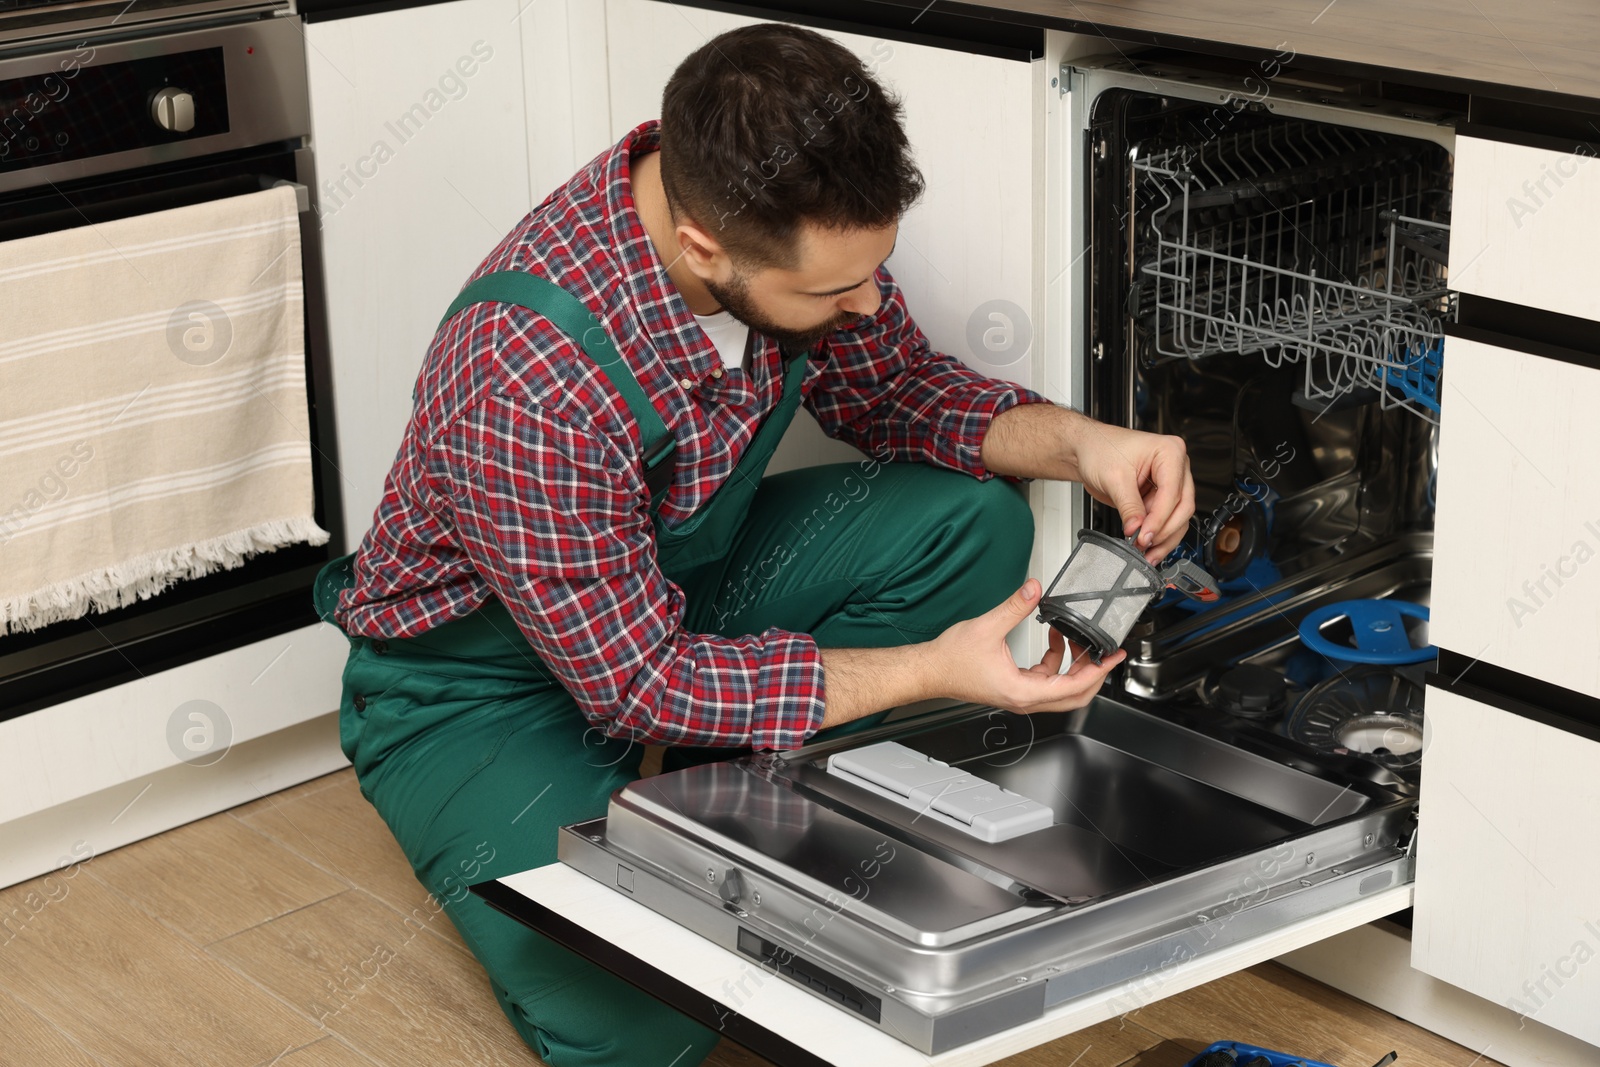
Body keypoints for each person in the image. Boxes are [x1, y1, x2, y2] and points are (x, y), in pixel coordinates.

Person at [311, 21, 1194, 1067]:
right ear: (703, 248)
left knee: (973, 520)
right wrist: (927, 671)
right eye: (833, 293)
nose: (867, 303)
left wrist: (1083, 442)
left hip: (664, 595)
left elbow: (901, 390)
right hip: (476, 685)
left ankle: (721, 801)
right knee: (648, 1008)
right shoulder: (527, 377)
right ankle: (687, 825)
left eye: (876, 271)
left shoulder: (779, 222)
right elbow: (632, 683)